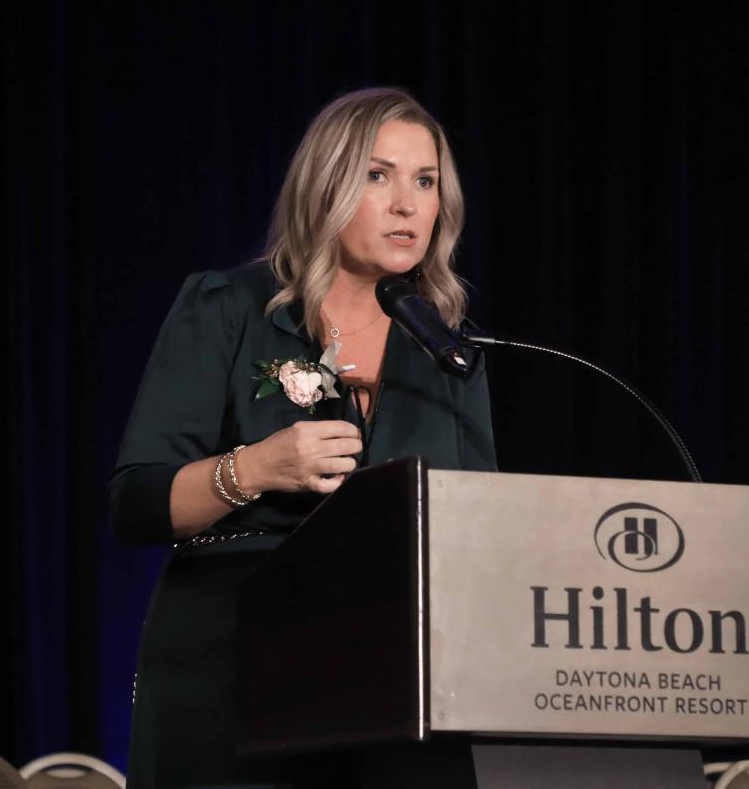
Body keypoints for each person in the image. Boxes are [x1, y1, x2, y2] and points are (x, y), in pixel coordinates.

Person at [108, 88, 497, 788]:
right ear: (326, 187)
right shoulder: (230, 308)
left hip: (399, 676)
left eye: (426, 180)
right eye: (378, 175)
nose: (408, 203)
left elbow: (480, 525)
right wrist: (255, 468)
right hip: (238, 659)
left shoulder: (448, 347)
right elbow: (135, 503)